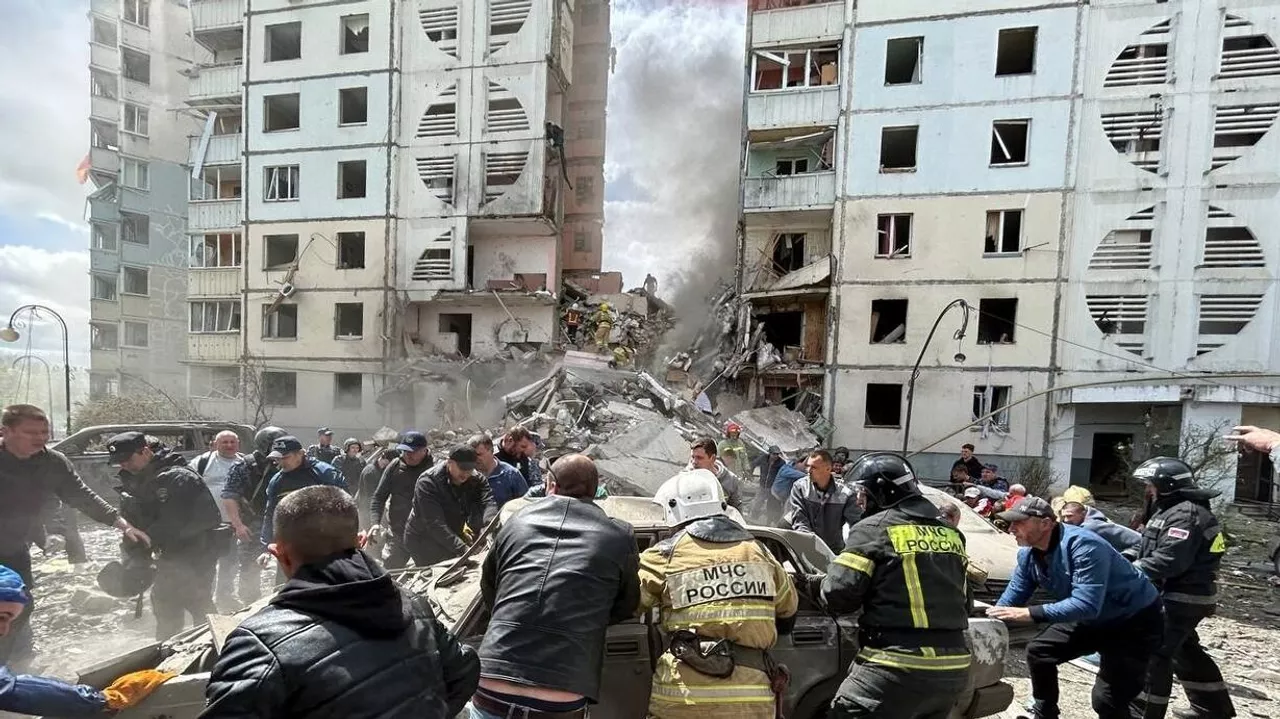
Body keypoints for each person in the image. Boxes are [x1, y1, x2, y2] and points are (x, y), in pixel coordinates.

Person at [203, 486, 479, 719]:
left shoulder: (258, 643)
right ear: (360, 542)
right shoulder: (412, 604)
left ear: (279, 554)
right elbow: (465, 670)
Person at [470, 455, 639, 719]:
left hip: (493, 681)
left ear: (551, 486)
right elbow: (627, 604)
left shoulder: (517, 521)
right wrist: (588, 619)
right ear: (594, 491)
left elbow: (491, 585)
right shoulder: (619, 535)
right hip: (562, 692)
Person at [821, 452, 972, 719]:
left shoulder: (872, 529)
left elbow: (838, 596)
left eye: (863, 493)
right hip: (954, 668)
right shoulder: (951, 534)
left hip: (896, 665)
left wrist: (815, 584)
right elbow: (965, 602)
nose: (859, 500)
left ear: (882, 492)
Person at [637, 469, 797, 719]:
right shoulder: (761, 553)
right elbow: (787, 615)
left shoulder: (663, 555)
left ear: (673, 508)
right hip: (750, 701)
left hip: (683, 700)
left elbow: (628, 605)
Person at [0, 404, 150, 664]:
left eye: (44, 432)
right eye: (31, 432)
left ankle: (16, 665)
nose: (40, 438)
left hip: (14, 548)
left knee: (20, 603)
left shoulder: (52, 462)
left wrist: (122, 524)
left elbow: (81, 495)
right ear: (6, 432)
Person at [987, 496, 1162, 719]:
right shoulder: (1028, 555)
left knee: (1107, 700)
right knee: (1040, 651)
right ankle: (1044, 713)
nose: (1011, 528)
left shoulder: (1084, 545)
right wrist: (991, 618)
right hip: (1095, 617)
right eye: (1011, 523)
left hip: (1133, 621)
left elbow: (1085, 604)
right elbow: (1014, 594)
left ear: (1046, 523)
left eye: (1019, 522)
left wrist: (1030, 613)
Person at [1128, 458, 1234, 719]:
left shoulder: (1185, 515)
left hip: (1183, 596)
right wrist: (1122, 558)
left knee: (1155, 651)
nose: (1148, 489)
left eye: (1151, 484)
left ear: (1166, 486)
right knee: (1185, 651)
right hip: (1177, 594)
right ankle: (1211, 708)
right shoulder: (1169, 511)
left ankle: (1143, 712)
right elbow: (1149, 547)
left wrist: (1128, 572)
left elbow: (1170, 560)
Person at [108, 432, 224, 640]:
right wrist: (132, 556)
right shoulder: (135, 479)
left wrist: (142, 547)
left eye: (127, 459)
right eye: (119, 461)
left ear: (145, 452)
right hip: (166, 553)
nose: (124, 465)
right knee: (164, 604)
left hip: (196, 550)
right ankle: (167, 647)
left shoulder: (179, 478)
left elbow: (172, 522)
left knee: (198, 602)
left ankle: (216, 645)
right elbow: (133, 520)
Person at [220, 426, 288, 606]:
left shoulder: (287, 464)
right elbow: (229, 496)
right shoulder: (243, 465)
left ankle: (282, 603)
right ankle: (250, 605)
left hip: (283, 523)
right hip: (254, 523)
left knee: (287, 566)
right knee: (250, 567)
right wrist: (238, 525)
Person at [403, 447, 498, 568]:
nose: (466, 473)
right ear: (449, 462)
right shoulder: (428, 483)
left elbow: (488, 502)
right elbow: (435, 523)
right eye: (462, 468)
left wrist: (489, 527)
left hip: (452, 531)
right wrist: (464, 549)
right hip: (423, 539)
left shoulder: (476, 479)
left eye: (470, 469)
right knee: (439, 572)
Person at [258, 436, 348, 553]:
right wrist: (266, 546)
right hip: (292, 544)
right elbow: (270, 514)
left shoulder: (325, 473)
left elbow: (346, 505)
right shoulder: (276, 481)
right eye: (278, 459)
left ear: (300, 453)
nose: (281, 462)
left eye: (285, 457)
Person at [190, 430, 245, 608]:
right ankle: (204, 597)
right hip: (207, 523)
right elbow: (187, 484)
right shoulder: (202, 462)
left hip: (234, 522)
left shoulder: (245, 463)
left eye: (232, 442)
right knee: (206, 561)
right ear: (215, 444)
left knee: (230, 560)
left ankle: (225, 595)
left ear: (238, 444)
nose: (229, 445)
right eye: (224, 442)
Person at [369, 432, 434, 569]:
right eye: (405, 451)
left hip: (426, 535)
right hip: (398, 533)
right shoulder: (395, 466)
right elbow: (379, 497)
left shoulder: (434, 469)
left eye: (412, 452)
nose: (408, 455)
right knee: (390, 571)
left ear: (424, 450)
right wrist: (375, 523)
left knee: (429, 572)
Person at [786, 449, 861, 553]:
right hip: (806, 546)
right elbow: (800, 520)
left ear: (828, 469)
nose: (808, 471)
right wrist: (810, 544)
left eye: (814, 467)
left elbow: (856, 524)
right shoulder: (800, 487)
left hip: (833, 550)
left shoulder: (845, 493)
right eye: (808, 466)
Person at [1058, 501, 1140, 555]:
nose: (1066, 520)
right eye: (1064, 517)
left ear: (1083, 514)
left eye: (1069, 516)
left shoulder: (1091, 527)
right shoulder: (1090, 521)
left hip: (1137, 548)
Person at [468, 434, 527, 508]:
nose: (475, 459)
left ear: (491, 451)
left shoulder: (511, 475)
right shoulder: (466, 477)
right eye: (471, 455)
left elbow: (526, 504)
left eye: (479, 454)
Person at [688, 437, 743, 510]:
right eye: (692, 457)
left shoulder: (731, 480)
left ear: (713, 458)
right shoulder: (684, 477)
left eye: (699, 458)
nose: (694, 462)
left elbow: (736, 511)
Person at [356, 448, 397, 530]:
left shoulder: (382, 470)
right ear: (384, 459)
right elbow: (371, 496)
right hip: (366, 510)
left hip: (375, 508)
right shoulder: (370, 472)